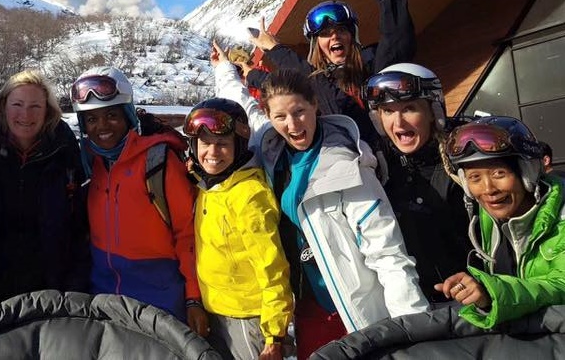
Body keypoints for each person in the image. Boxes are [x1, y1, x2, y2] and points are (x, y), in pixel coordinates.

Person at [212, 44, 428, 359]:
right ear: (270, 118)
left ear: (315, 105)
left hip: (351, 312)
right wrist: (222, 69)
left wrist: (415, 330)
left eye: (299, 111)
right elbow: (241, 102)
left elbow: (388, 255)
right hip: (307, 309)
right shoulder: (272, 149)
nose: (292, 124)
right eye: (281, 116)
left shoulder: (347, 168)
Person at [70, 67, 208, 336]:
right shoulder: (90, 163)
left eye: (111, 115)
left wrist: (193, 298)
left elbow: (188, 233)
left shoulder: (158, 161)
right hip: (105, 297)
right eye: (92, 119)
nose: (102, 127)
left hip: (160, 299)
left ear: (128, 115)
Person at [244, 0, 416, 147]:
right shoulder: (312, 85)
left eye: (341, 30)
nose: (335, 36)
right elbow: (282, 86)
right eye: (326, 34)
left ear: (352, 37)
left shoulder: (373, 65)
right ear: (317, 45)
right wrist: (250, 74)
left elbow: (397, 40)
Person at [0, 69, 89, 307]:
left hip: (51, 296)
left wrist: (73, 290)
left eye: (35, 107)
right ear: (2, 106)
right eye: (17, 104)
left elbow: (82, 231)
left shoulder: (67, 156)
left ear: (48, 111)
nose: (25, 115)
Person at [184, 98, 293, 360]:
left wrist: (274, 335)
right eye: (205, 143)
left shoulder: (249, 196)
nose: (212, 152)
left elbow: (273, 268)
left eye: (222, 144)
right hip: (216, 311)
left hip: (248, 318)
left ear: (239, 146)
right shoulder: (209, 186)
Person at [435, 116, 565, 329]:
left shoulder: (561, 213)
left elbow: (561, 284)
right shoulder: (488, 219)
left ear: (528, 173)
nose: (488, 189)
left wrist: (492, 292)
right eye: (475, 177)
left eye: (499, 173)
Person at [362, 63, 472, 302]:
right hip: (416, 308)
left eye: (409, 108)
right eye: (388, 112)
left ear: (434, 112)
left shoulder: (466, 161)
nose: (398, 123)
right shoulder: (378, 168)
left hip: (477, 303)